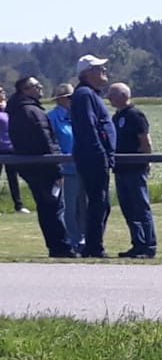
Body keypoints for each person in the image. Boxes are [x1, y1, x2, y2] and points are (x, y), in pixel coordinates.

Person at [5, 76, 74, 256]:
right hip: (45, 168)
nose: (40, 87)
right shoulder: (32, 112)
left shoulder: (17, 110)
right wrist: (57, 169)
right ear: (25, 90)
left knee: (45, 209)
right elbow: (46, 141)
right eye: (36, 86)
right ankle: (62, 247)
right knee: (54, 208)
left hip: (30, 167)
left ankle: (55, 246)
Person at [69, 55, 116, 258]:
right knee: (99, 203)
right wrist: (100, 154)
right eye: (99, 67)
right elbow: (88, 128)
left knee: (101, 203)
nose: (104, 70)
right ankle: (93, 247)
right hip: (93, 157)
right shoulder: (84, 94)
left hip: (95, 156)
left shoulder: (88, 94)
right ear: (87, 73)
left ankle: (93, 245)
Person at [108, 82, 156, 257]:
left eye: (112, 95)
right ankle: (137, 243)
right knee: (127, 208)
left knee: (141, 207)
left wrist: (146, 161)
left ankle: (149, 246)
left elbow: (145, 140)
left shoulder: (135, 115)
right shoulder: (116, 117)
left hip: (135, 168)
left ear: (123, 96)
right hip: (120, 168)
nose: (109, 98)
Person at [49, 83, 83, 251]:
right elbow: (52, 143)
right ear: (60, 100)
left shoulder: (78, 116)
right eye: (69, 98)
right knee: (68, 207)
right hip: (65, 170)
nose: (72, 100)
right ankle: (71, 240)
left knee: (83, 206)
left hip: (82, 168)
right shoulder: (52, 118)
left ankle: (82, 239)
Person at [0, 91, 26, 214]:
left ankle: (18, 205)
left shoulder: (8, 109)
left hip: (10, 148)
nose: (3, 93)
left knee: (13, 178)